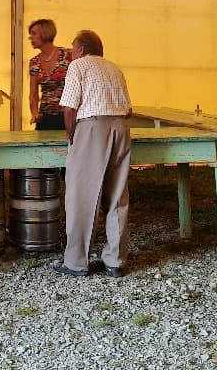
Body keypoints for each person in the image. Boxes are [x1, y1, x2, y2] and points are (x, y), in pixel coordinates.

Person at [53, 30, 132, 278]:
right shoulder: (115, 68)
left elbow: (69, 107)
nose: (70, 53)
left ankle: (76, 261)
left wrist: (71, 135)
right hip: (120, 127)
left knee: (82, 195)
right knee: (117, 195)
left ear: (81, 49)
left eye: (72, 48)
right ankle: (115, 261)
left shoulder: (78, 66)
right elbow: (129, 110)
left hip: (92, 126)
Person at [27, 18, 71, 131]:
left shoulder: (67, 55)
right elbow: (33, 93)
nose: (30, 37)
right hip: (45, 116)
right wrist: (34, 113)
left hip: (67, 115)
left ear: (45, 33)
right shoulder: (34, 62)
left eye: (34, 33)